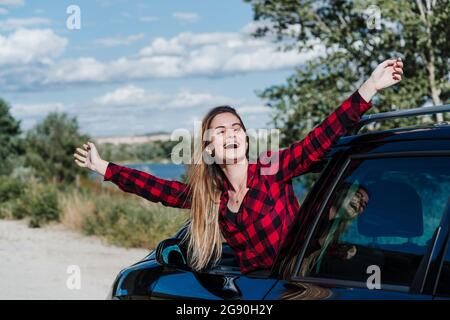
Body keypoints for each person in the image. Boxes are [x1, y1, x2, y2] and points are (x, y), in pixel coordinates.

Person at [74, 58, 404, 275]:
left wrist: (369, 88)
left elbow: (319, 139)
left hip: (295, 283)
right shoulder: (212, 196)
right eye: (220, 131)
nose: (231, 134)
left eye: (236, 129)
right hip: (255, 291)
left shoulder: (274, 169)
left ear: (245, 140)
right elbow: (159, 189)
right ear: (209, 148)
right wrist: (104, 167)